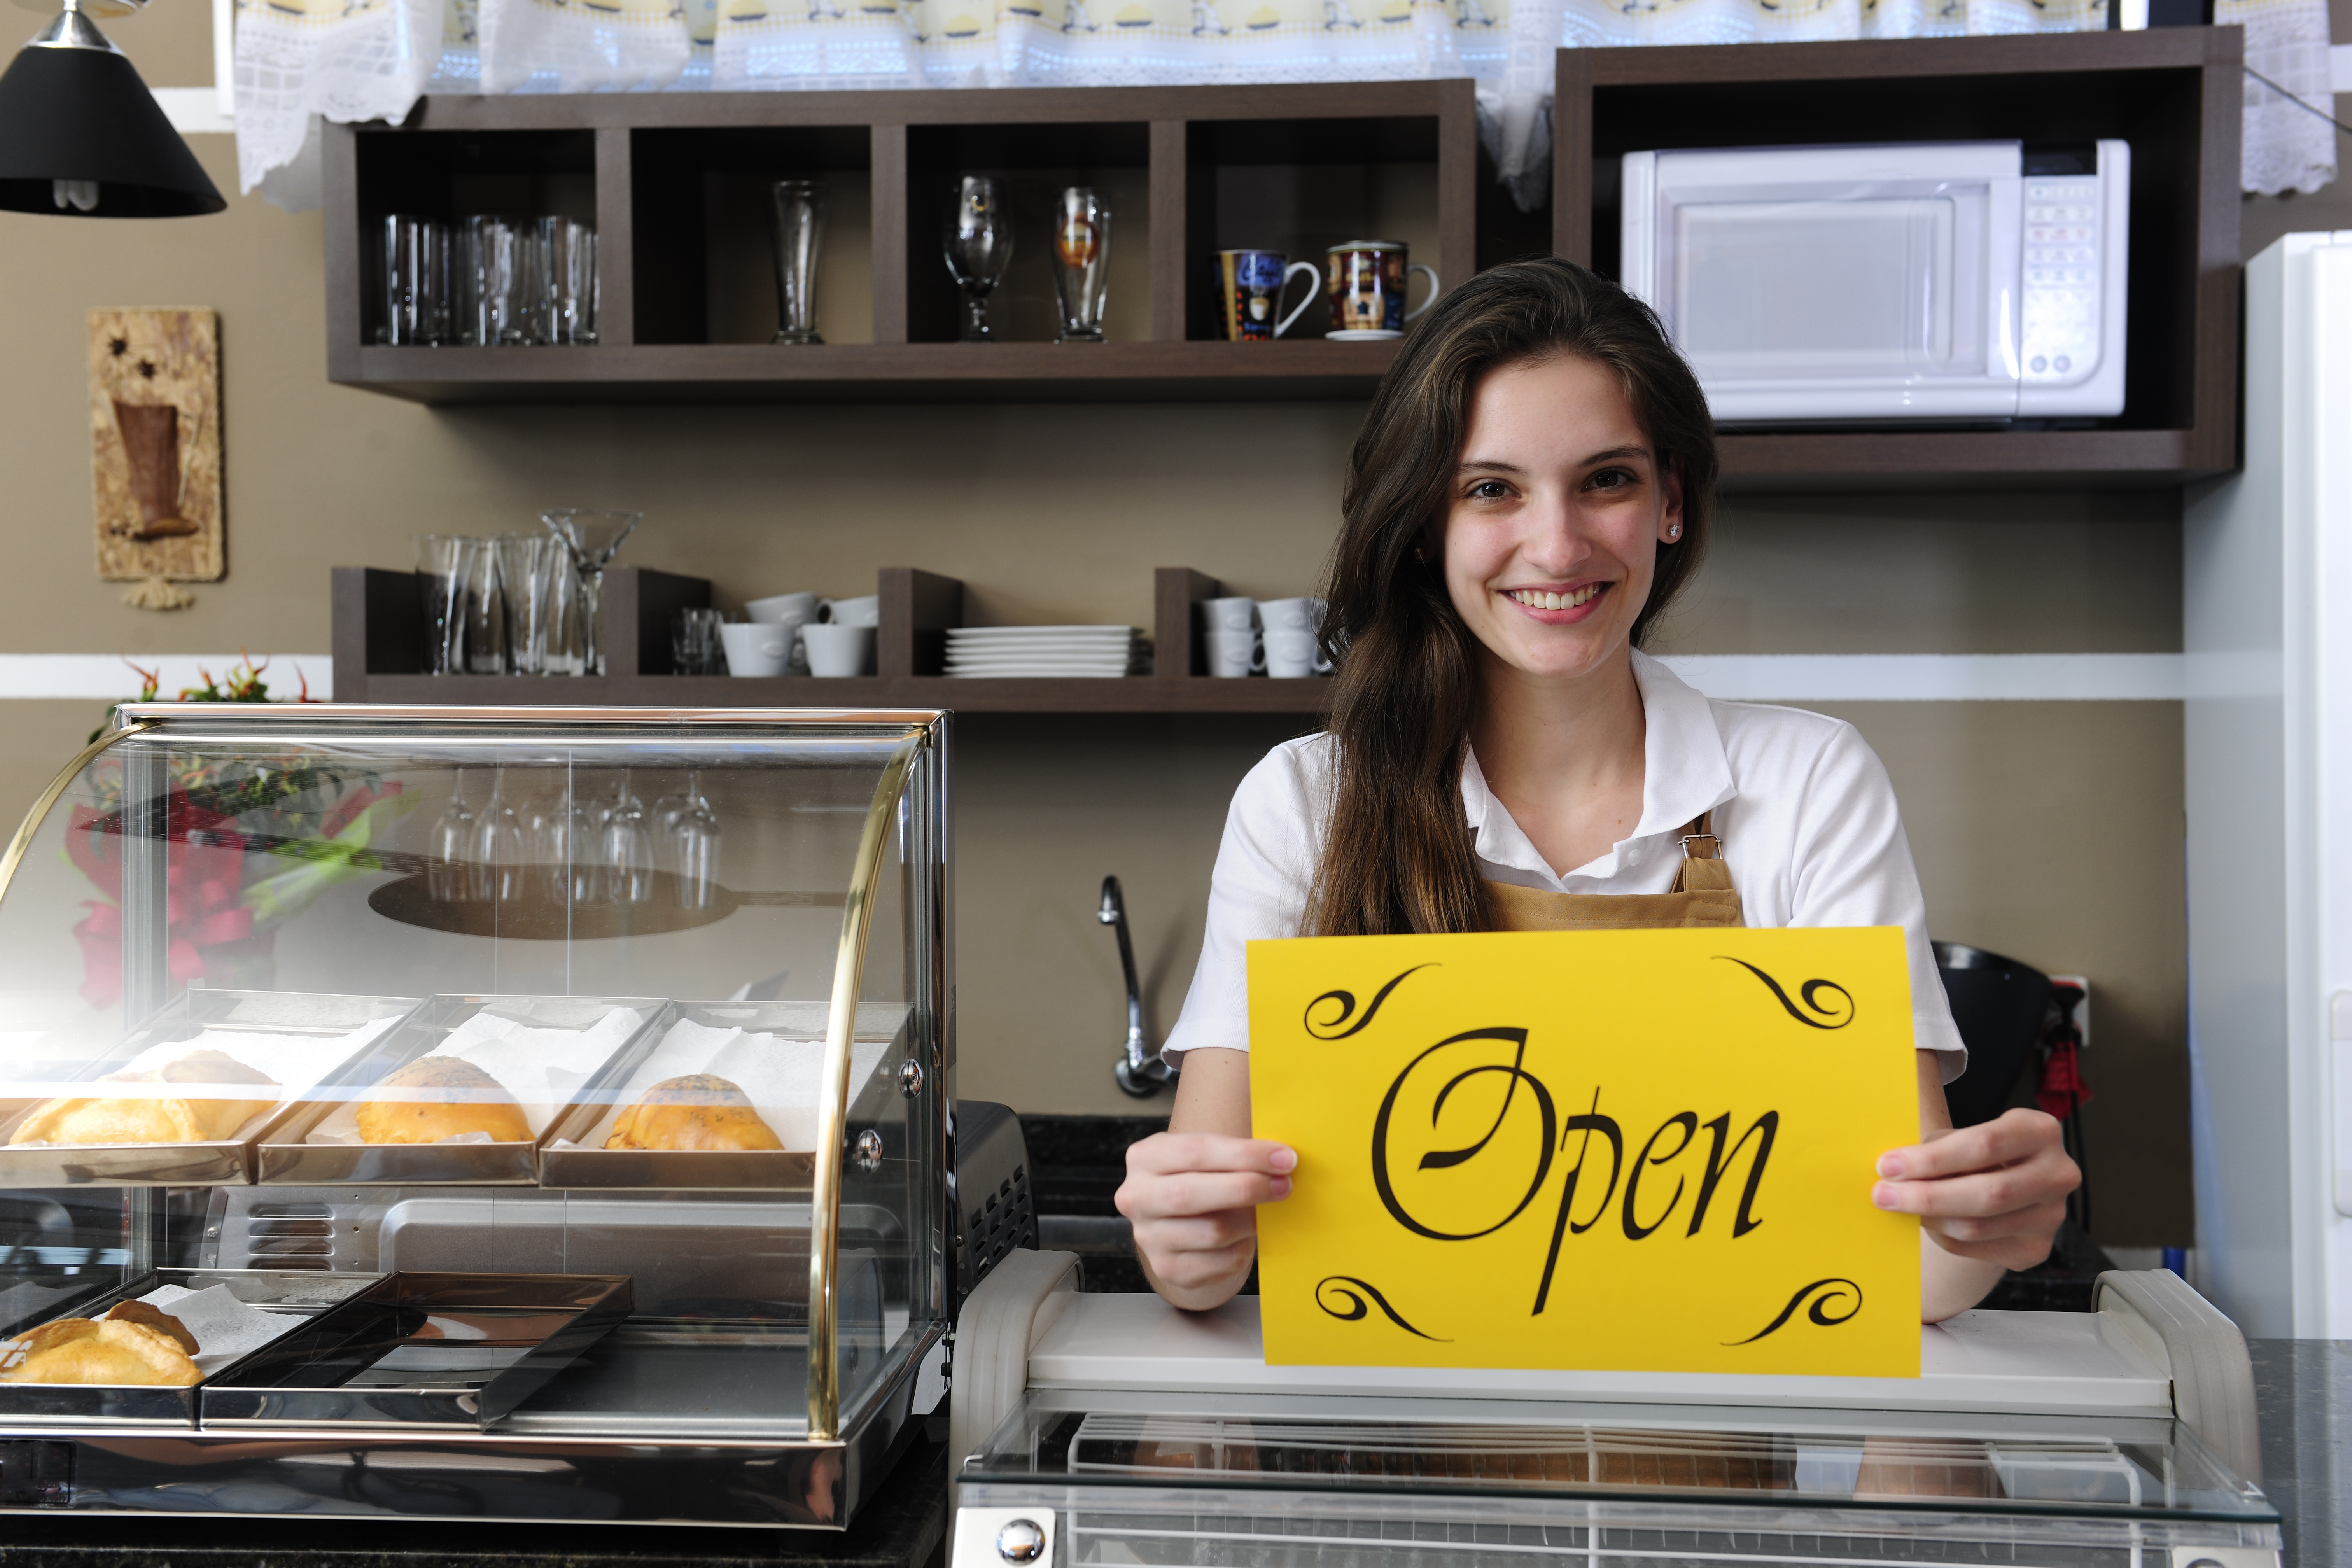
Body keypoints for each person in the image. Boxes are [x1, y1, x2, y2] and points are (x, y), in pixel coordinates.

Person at [1116, 257, 2080, 1321]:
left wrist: (1984, 1229)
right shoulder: (1304, 806)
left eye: (1606, 480)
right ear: (1425, 524)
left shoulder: (1809, 784)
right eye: (1492, 489)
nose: (1558, 543)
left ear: (1671, 499)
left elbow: (1908, 1269)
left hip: (1713, 1468)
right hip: (1390, 1460)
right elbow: (1203, 1264)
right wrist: (1186, 1237)